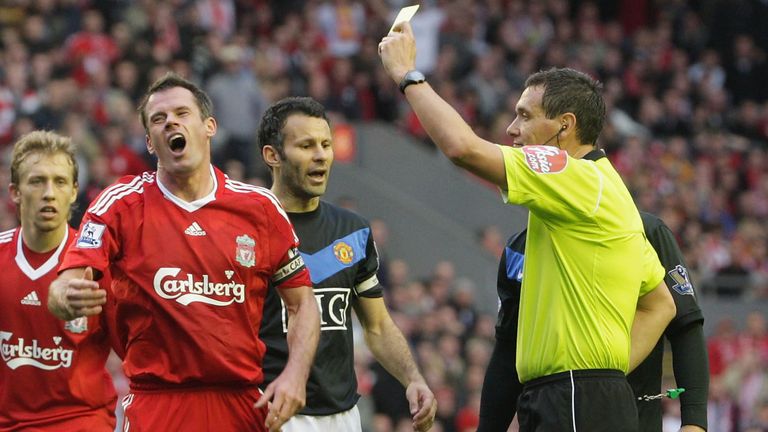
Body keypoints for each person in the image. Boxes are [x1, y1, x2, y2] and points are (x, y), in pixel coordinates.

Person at [379, 23, 677, 431]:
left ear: (565, 126)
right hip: (572, 394)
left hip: (573, 395)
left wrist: (407, 75)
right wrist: (607, 371)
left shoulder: (575, 176)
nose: (511, 129)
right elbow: (661, 302)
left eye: (524, 115)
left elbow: (463, 149)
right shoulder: (603, 199)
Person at [47, 73, 320, 432]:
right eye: (159, 119)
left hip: (240, 402)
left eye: (181, 113)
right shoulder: (120, 204)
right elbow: (64, 283)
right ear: (149, 142)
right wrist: (65, 296)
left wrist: (296, 375)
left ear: (209, 126)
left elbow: (302, 304)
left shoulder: (260, 208)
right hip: (158, 402)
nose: (170, 122)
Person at [257, 96, 437, 432]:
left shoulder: (352, 231)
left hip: (342, 417)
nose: (321, 154)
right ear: (273, 155)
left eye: (325, 144)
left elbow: (378, 326)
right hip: (268, 412)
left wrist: (413, 378)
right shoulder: (247, 228)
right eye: (306, 145)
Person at [478, 211, 709, 431]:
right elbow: (508, 353)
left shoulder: (642, 230)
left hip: (632, 417)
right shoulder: (519, 249)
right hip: (545, 417)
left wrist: (694, 421)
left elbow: (685, 325)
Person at [0, 130, 117, 430]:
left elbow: (138, 351)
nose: (49, 193)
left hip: (80, 421)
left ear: (75, 191)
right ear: (14, 191)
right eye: (37, 181)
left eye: (60, 181)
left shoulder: (98, 263)